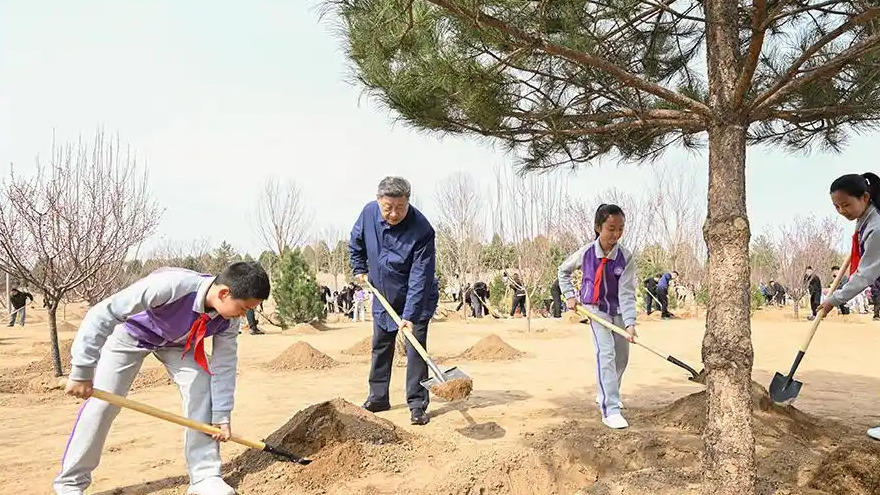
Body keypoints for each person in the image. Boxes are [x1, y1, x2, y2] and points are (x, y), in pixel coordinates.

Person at [53, 262, 270, 495]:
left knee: (202, 388)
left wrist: (221, 416)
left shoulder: (229, 320)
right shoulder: (172, 285)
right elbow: (102, 313)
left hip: (177, 345)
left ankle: (205, 476)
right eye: (243, 308)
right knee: (104, 404)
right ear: (224, 293)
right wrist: (82, 371)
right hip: (131, 335)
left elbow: (224, 365)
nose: (243, 315)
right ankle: (71, 483)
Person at [349, 176, 439, 426]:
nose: (393, 213)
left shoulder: (422, 229)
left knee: (415, 350)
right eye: (387, 207)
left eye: (400, 207)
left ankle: (417, 404)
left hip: (417, 298)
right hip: (383, 294)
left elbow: (420, 278)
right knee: (380, 346)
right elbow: (355, 243)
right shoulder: (368, 213)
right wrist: (359, 267)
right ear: (379, 201)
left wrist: (409, 316)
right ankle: (378, 398)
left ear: (408, 202)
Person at [557, 203, 637, 430]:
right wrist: (570, 296)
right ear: (598, 227)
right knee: (606, 355)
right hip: (595, 309)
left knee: (621, 358)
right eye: (611, 228)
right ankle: (610, 409)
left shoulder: (626, 257)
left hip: (618, 310)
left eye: (620, 229)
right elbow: (563, 271)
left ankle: (608, 390)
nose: (616, 234)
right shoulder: (586, 253)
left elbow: (628, 293)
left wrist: (630, 323)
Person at [820, 173, 880, 439]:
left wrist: (834, 299)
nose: (841, 211)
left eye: (846, 205)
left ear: (864, 198)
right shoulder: (864, 221)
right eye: (836, 207)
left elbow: (865, 275)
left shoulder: (876, 227)